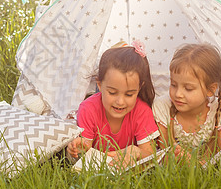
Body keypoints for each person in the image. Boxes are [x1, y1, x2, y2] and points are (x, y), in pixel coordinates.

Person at [66, 40, 160, 168]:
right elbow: (84, 150)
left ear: (139, 88)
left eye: (129, 94)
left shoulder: (142, 111)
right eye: (112, 92)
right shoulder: (88, 109)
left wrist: (136, 151)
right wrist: (77, 147)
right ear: (100, 85)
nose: (120, 101)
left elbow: (150, 154)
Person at [153, 43, 221, 164]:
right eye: (173, 85)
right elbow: (163, 155)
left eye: (188, 88)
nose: (178, 94)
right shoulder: (162, 107)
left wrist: (197, 164)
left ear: (210, 90)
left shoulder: (220, 110)